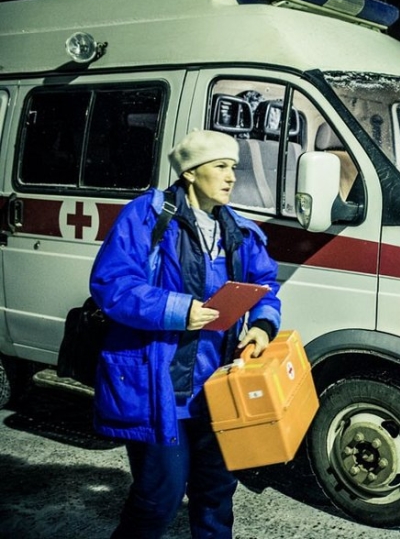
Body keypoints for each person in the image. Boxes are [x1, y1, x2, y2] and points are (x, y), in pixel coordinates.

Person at [90, 129, 282, 537]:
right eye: (220, 167)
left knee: (216, 496)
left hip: (219, 389)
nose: (231, 177)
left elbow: (265, 283)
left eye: (233, 167)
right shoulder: (148, 215)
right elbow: (112, 284)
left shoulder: (238, 229)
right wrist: (177, 310)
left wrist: (263, 325)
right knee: (159, 498)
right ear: (191, 173)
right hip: (162, 390)